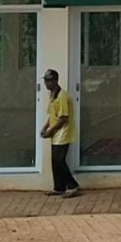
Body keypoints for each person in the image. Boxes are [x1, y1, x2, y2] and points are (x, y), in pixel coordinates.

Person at [40, 69, 79, 198]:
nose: (47, 83)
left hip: (63, 132)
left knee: (59, 160)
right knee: (55, 161)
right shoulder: (52, 95)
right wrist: (45, 127)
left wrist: (50, 130)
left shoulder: (62, 96)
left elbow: (63, 118)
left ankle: (72, 185)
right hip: (56, 132)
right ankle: (59, 187)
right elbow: (52, 115)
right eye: (46, 80)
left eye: (50, 81)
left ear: (56, 81)